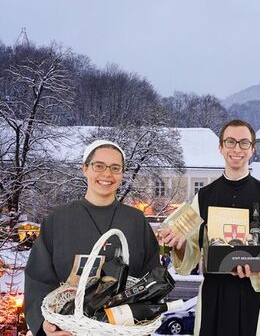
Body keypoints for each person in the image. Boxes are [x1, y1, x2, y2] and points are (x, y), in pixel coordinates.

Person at [161, 119, 260, 336]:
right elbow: (189, 256)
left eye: (244, 143)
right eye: (230, 142)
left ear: (252, 149)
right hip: (215, 295)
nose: (236, 149)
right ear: (221, 147)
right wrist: (178, 244)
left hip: (255, 291)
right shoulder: (203, 197)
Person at [24, 140, 160, 336]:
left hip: (121, 329)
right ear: (85, 169)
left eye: (115, 168)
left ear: (122, 174)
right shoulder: (57, 220)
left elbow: (152, 277)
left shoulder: (136, 221)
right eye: (99, 166)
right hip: (69, 329)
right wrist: (44, 324)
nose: (107, 174)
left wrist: (145, 318)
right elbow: (38, 279)